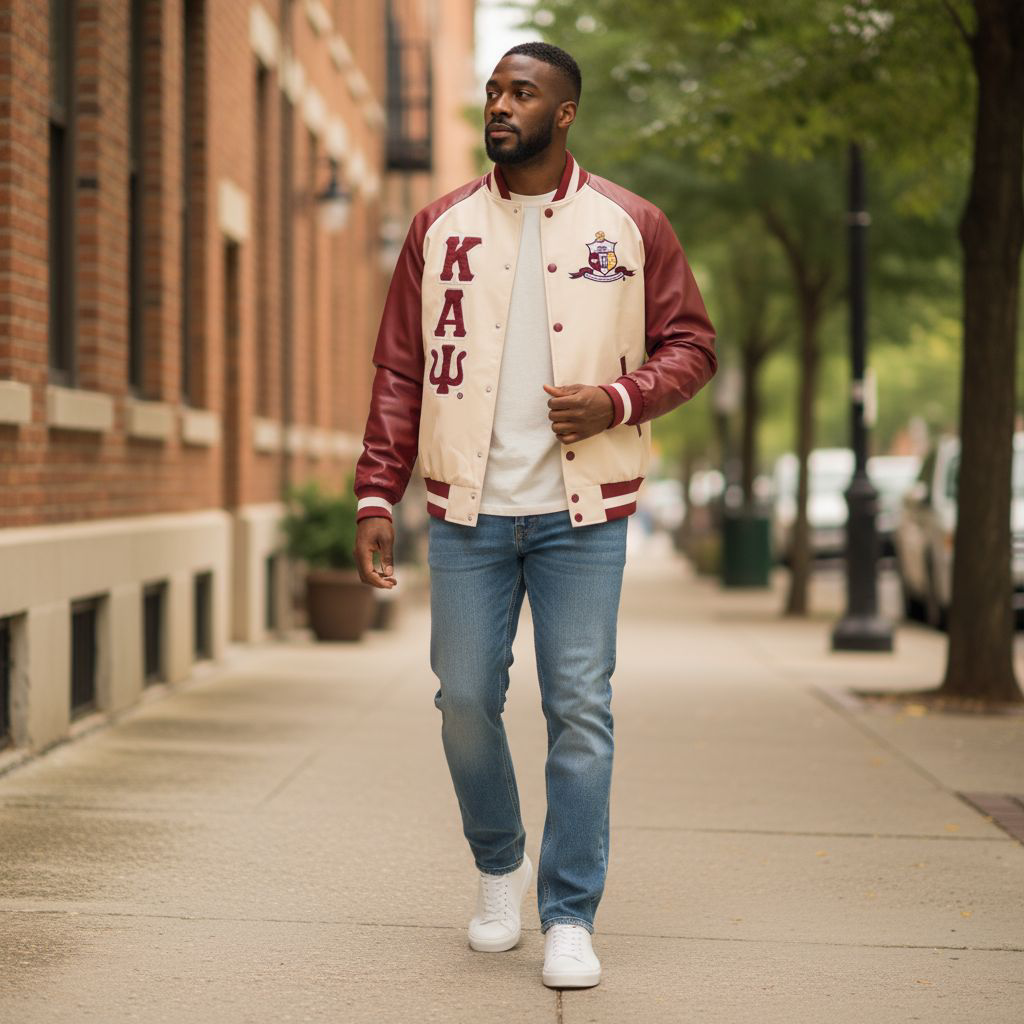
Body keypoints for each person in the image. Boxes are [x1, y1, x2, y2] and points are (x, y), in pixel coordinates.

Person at [353, 41, 716, 989]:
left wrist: (620, 400)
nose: (500, 105)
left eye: (523, 93)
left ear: (564, 115)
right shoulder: (438, 228)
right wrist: (375, 491)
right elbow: (399, 372)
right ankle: (498, 862)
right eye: (494, 91)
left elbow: (692, 345)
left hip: (581, 514)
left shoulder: (630, 225)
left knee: (579, 709)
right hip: (467, 512)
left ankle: (569, 913)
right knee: (464, 701)